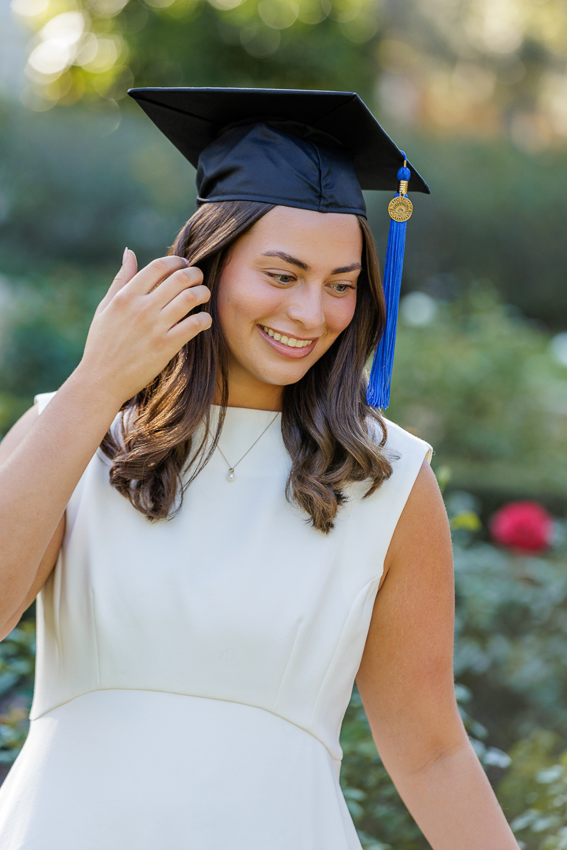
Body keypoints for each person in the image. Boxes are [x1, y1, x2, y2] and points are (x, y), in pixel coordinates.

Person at [0, 88, 519, 849]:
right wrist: (93, 387)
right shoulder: (76, 432)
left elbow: (431, 751)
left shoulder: (386, 478)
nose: (312, 313)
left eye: (340, 284)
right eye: (281, 276)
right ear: (204, 267)